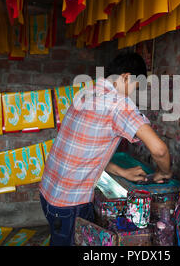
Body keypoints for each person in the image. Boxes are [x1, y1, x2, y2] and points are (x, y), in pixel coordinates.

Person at [39, 52, 172, 246]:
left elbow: (84, 150)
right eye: (135, 87)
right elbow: (159, 150)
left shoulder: (86, 92)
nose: (131, 94)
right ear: (126, 77)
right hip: (69, 203)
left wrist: (121, 171)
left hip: (48, 193)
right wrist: (164, 171)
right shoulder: (118, 103)